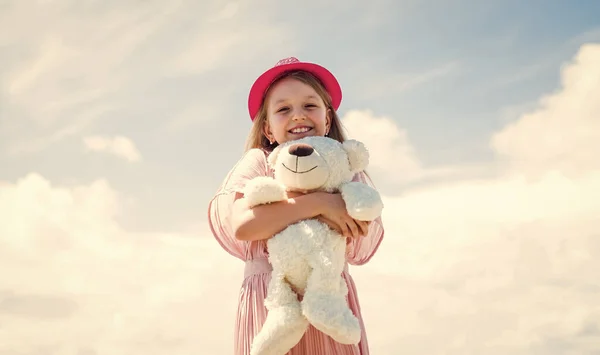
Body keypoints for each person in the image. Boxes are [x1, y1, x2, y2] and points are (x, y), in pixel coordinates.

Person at [207, 57, 385, 355]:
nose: (298, 115)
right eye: (283, 109)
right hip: (271, 304)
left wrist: (282, 212)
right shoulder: (260, 163)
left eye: (309, 106)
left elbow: (360, 228)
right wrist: (320, 202)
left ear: (327, 120)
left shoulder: (346, 172)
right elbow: (244, 225)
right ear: (267, 129)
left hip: (329, 302)